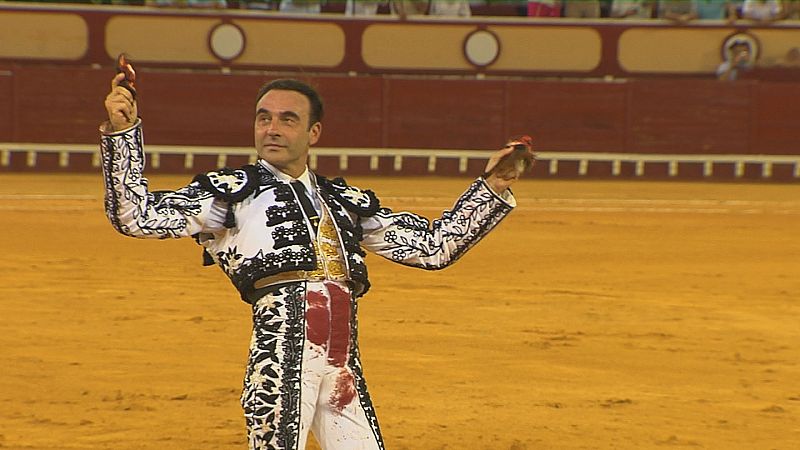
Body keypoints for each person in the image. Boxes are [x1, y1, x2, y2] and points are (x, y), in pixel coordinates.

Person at [100, 74, 520, 449]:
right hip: (279, 357)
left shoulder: (344, 201)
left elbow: (433, 247)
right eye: (263, 118)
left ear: (313, 132)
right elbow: (137, 216)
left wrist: (492, 186)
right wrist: (123, 135)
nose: (272, 129)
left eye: (287, 119)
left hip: (342, 363)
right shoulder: (230, 195)